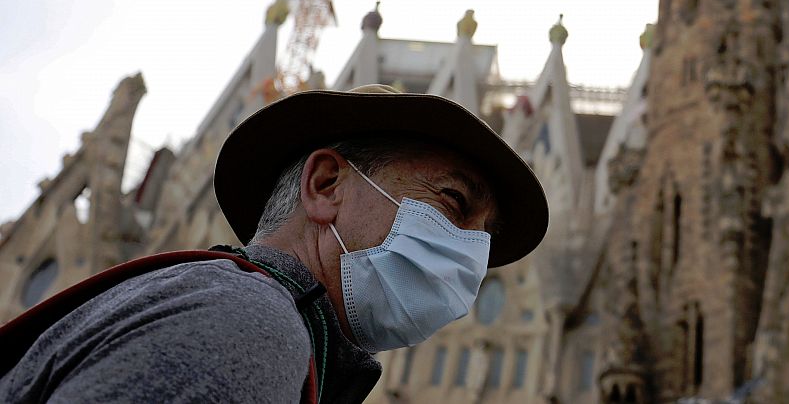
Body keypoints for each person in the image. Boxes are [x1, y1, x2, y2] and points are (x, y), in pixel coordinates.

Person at [0, 85, 547, 403]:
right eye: (452, 204)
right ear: (325, 186)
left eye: (482, 238)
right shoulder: (247, 325)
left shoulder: (242, 315)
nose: (469, 254)